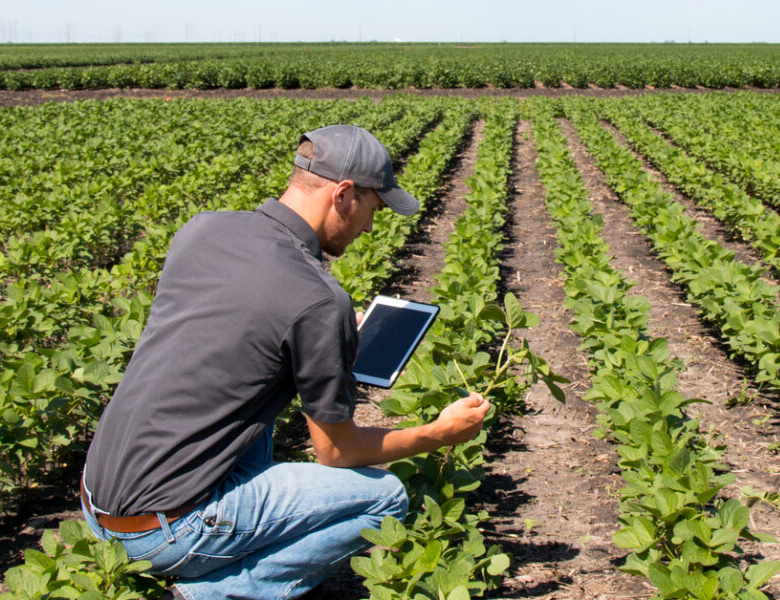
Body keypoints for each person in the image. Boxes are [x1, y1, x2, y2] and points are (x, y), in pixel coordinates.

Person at [80, 124, 490, 600]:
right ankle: (205, 595)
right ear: (343, 194)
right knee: (384, 500)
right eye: (373, 210)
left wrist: (326, 340)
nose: (371, 227)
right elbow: (336, 452)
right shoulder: (316, 299)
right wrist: (437, 434)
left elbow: (242, 330)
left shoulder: (204, 228)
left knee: (258, 402)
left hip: (99, 500)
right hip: (160, 530)